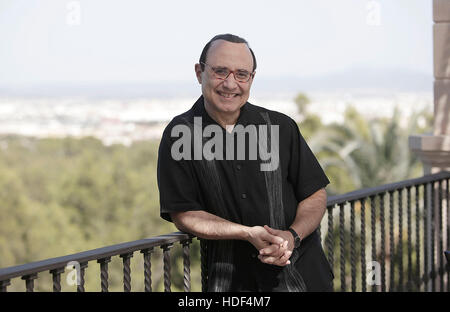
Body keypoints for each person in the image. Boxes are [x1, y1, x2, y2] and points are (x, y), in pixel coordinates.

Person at [157, 33, 334, 292]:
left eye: (242, 74)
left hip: (305, 278)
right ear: (199, 72)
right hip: (233, 285)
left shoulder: (281, 127)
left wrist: (291, 236)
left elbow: (314, 194)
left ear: (252, 78)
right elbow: (184, 213)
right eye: (220, 71)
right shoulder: (179, 134)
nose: (231, 84)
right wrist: (246, 233)